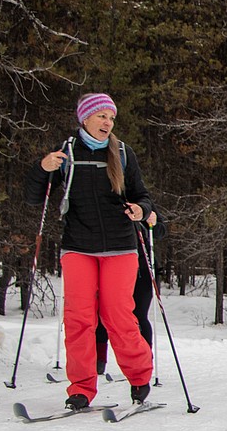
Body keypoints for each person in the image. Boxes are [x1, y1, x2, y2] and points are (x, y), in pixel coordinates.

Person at [23, 93, 154, 409]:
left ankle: (139, 377)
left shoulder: (122, 153)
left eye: (111, 118)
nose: (108, 123)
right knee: (79, 318)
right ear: (85, 118)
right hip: (78, 247)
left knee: (118, 316)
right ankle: (80, 388)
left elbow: (142, 195)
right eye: (102, 116)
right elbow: (33, 198)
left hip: (120, 247)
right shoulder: (66, 153)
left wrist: (140, 209)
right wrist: (43, 168)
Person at [96, 208, 164, 375]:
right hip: (113, 265)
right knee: (103, 314)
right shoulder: (107, 200)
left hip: (142, 269)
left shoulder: (141, 200)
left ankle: (145, 362)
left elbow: (161, 230)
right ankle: (98, 361)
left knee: (139, 315)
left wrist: (152, 221)